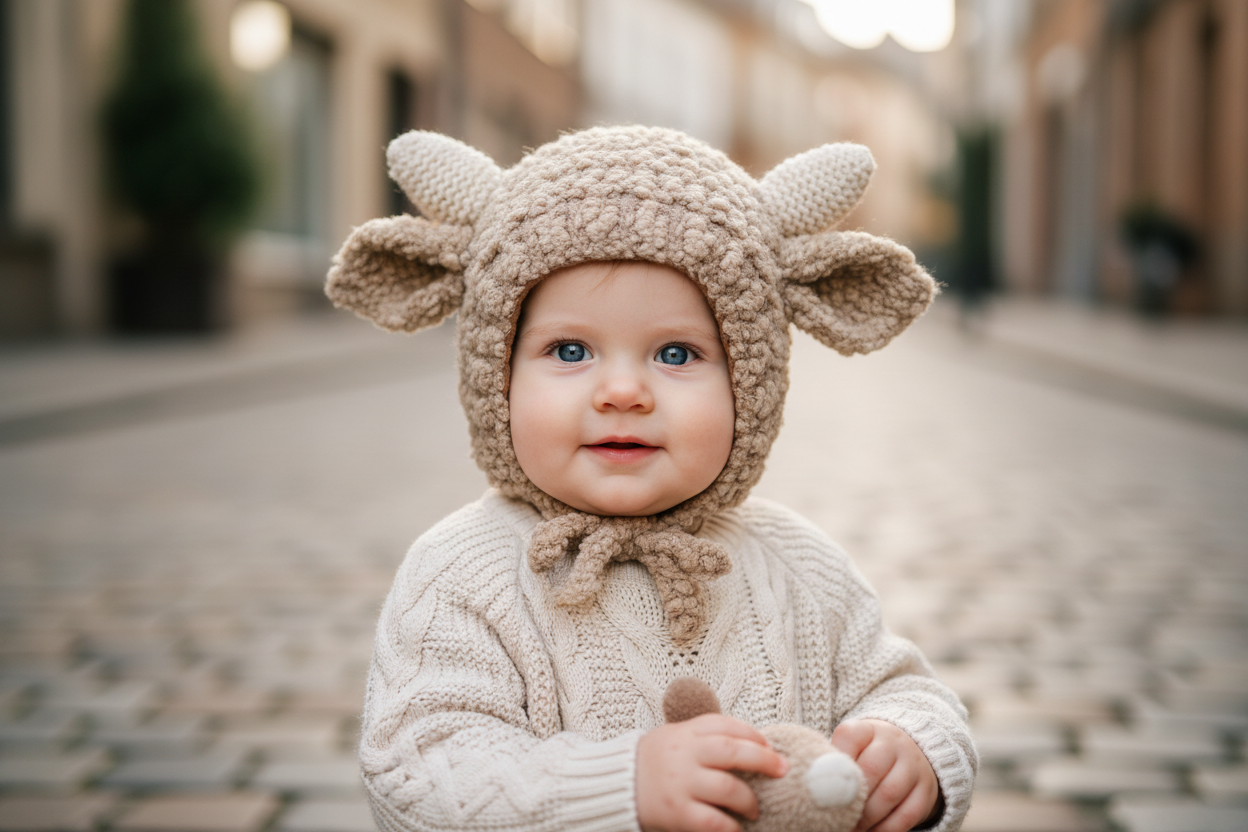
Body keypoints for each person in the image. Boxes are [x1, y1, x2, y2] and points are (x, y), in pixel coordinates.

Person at [326, 126, 977, 832]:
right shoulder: (460, 574)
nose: (623, 390)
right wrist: (618, 786)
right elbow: (419, 769)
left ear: (750, 384)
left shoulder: (803, 566)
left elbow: (902, 686)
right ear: (497, 376)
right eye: (569, 350)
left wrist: (913, 748)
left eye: (676, 353)